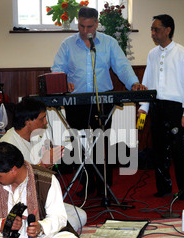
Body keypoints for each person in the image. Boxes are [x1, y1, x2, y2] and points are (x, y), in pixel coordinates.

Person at [52, 7, 147, 197]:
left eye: (89, 26)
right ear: (77, 22)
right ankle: (86, 183)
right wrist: (63, 83)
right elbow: (57, 69)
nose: (85, 30)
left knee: (102, 142)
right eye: (81, 26)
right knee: (79, 143)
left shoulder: (109, 43)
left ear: (97, 23)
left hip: (102, 101)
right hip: (76, 102)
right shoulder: (67, 44)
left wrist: (134, 83)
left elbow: (122, 66)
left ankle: (104, 184)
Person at [0, 96, 87, 232]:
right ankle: (37, 235)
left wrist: (50, 163)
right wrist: (43, 165)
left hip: (41, 200)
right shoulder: (7, 145)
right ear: (28, 121)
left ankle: (44, 234)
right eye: (42, 118)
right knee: (71, 222)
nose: (46, 122)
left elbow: (44, 175)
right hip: (21, 206)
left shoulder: (38, 135)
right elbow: (14, 185)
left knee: (81, 216)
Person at [138, 14, 184, 200]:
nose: (153, 33)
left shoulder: (181, 53)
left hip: (175, 108)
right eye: (152, 29)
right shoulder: (152, 54)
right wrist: (144, 107)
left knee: (178, 151)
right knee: (158, 150)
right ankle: (163, 188)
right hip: (157, 106)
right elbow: (147, 80)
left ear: (168, 30)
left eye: (156, 29)